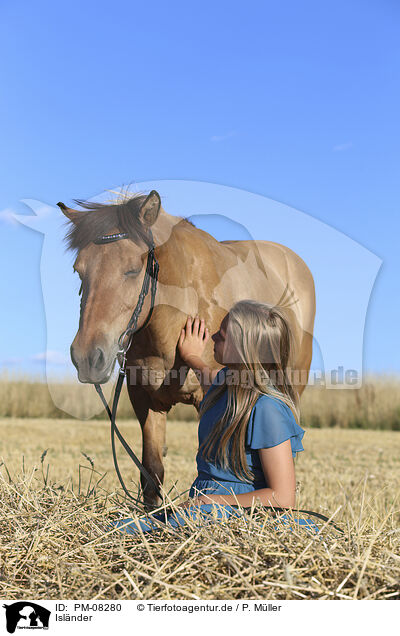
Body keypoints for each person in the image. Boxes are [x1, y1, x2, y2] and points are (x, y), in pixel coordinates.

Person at [112, 300, 319, 535]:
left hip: (238, 516)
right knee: (117, 530)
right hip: (203, 510)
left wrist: (213, 502)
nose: (212, 337)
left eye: (222, 335)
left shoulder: (267, 409)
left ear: (243, 347)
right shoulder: (224, 385)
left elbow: (282, 497)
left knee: (144, 534)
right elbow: (207, 375)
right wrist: (190, 356)